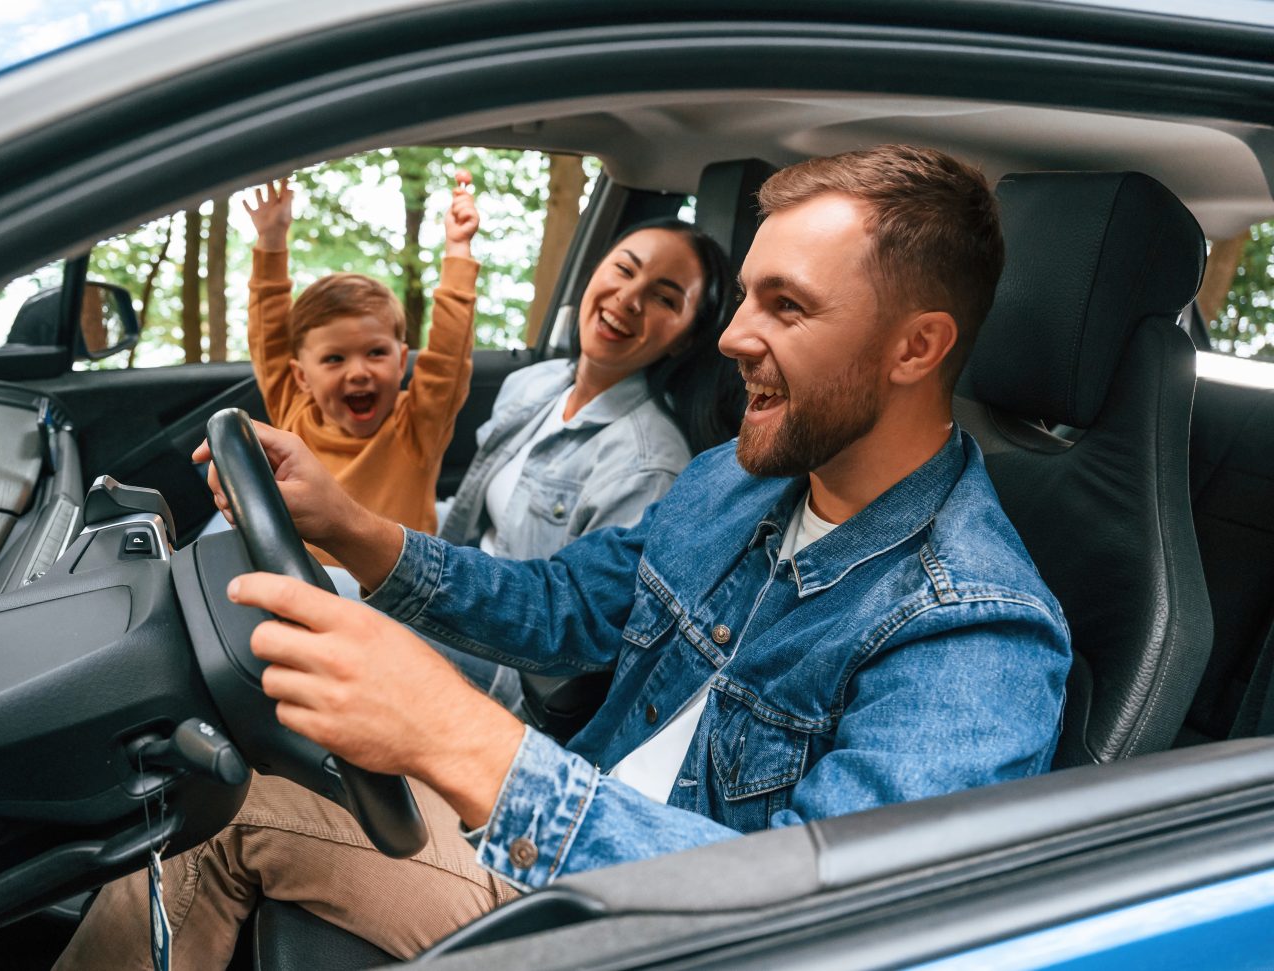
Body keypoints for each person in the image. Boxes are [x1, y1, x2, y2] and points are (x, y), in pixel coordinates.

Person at [56, 145, 1071, 969]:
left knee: (237, 814)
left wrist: (465, 741)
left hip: (646, 934)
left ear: (915, 347)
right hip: (565, 857)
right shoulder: (738, 480)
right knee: (212, 794)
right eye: (747, 296)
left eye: (787, 306)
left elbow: (827, 927)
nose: (732, 337)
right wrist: (352, 529)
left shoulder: (974, 626)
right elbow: (561, 603)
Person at [433, 217, 736, 699]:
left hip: (514, 670)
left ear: (683, 338)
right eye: (624, 269)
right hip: (463, 594)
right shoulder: (536, 384)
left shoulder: (648, 464)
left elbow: (573, 641)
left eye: (664, 297)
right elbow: (478, 519)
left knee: (308, 604)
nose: (629, 298)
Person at [242, 173, 479, 559]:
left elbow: (449, 356)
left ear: (402, 360)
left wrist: (458, 251)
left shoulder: (417, 424)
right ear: (301, 376)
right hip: (305, 585)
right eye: (334, 359)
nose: (358, 372)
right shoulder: (294, 411)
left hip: (392, 598)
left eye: (376, 353)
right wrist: (270, 241)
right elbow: (268, 337)